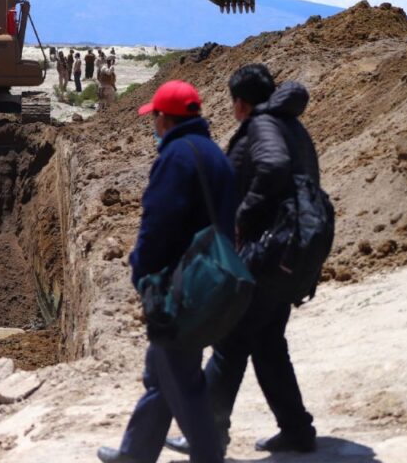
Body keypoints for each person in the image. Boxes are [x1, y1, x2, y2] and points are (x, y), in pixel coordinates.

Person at [165, 64, 318, 456]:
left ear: (241, 102)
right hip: (286, 257)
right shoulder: (291, 127)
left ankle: (207, 434)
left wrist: (242, 217)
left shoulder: (263, 126)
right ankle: (298, 432)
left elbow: (272, 168)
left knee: (229, 342)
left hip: (265, 256)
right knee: (268, 344)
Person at [97, 80, 235, 463]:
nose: (152, 124)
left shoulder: (176, 158)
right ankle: (135, 453)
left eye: (153, 117)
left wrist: (142, 273)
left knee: (182, 381)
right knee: (161, 373)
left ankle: (208, 456)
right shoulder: (213, 152)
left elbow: (158, 224)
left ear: (163, 117)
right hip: (209, 279)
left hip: (181, 285)